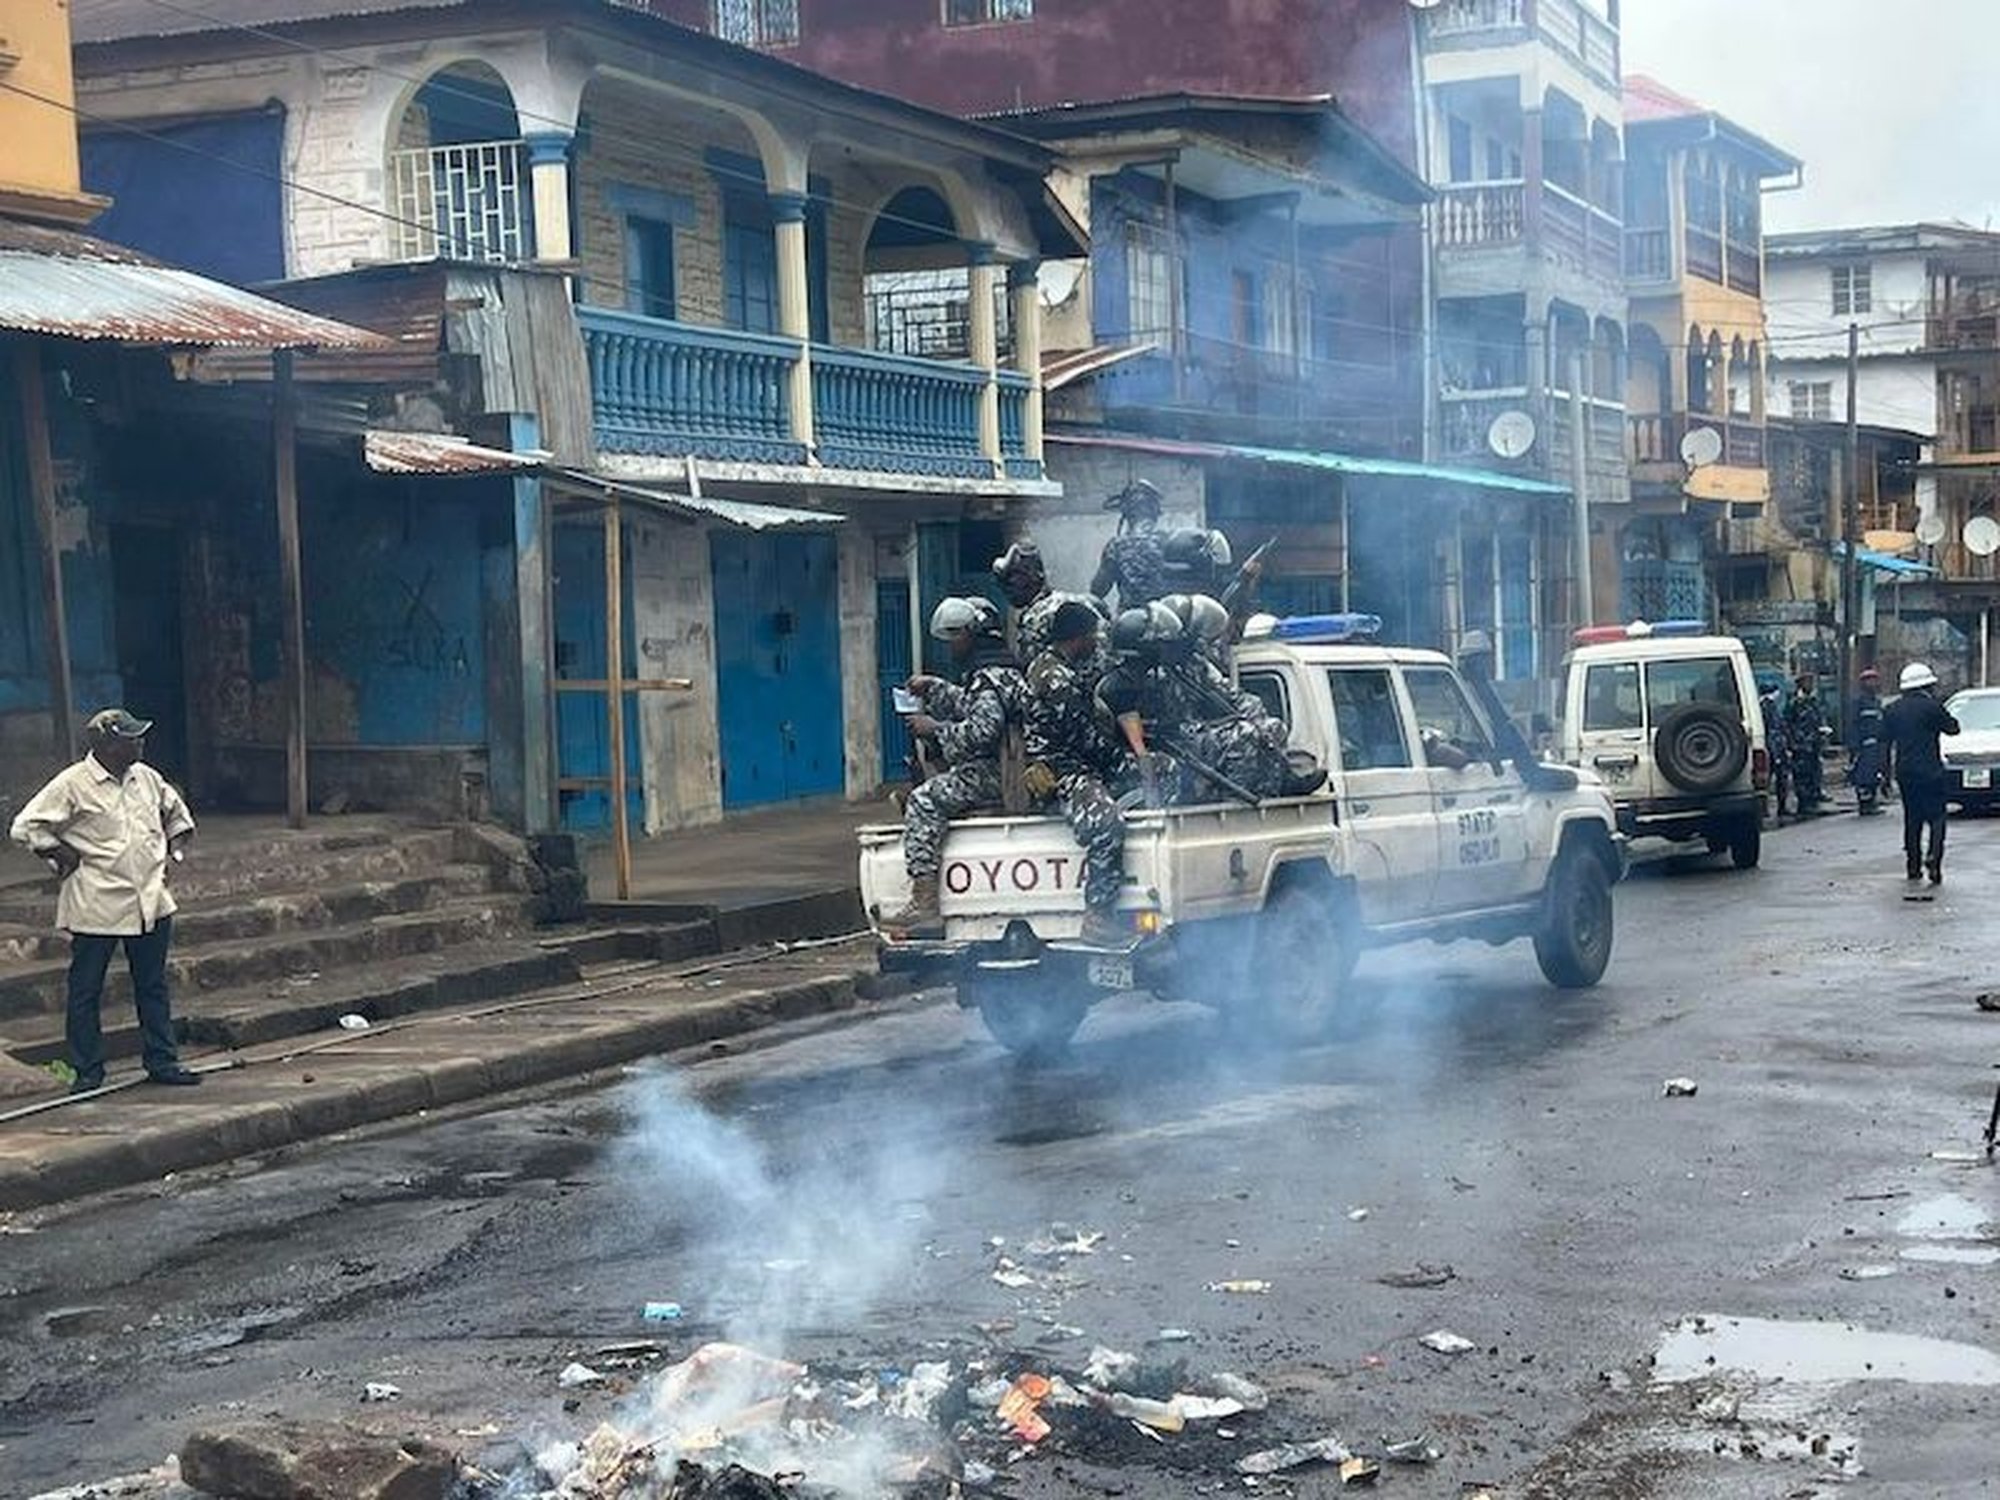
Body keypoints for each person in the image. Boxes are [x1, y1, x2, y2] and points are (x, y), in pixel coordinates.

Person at [9, 708, 201, 1092]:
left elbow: (177, 816)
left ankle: (162, 1061)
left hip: (149, 899)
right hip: (97, 901)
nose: (140, 742)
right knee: (86, 989)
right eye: (132, 738)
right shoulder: (73, 783)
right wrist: (58, 851)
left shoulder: (146, 778)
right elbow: (26, 826)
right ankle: (88, 1071)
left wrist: (172, 854)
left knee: (152, 986)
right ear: (109, 745)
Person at [882, 598, 1023, 938]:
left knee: (923, 800)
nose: (951, 645)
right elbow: (971, 706)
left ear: (973, 635)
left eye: (956, 636)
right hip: (1006, 770)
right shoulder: (1001, 672)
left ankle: (925, 904)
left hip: (997, 774)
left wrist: (935, 730)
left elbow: (981, 733)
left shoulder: (988, 679)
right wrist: (934, 688)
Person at [1022, 600, 1127, 946]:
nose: (1095, 644)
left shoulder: (1057, 668)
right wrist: (1119, 759)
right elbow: (1082, 738)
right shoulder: (1055, 678)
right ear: (1078, 638)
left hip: (1072, 763)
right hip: (1059, 771)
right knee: (1105, 822)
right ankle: (1098, 917)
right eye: (1092, 637)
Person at [1882, 661, 1960, 884]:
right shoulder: (1932, 707)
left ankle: (1913, 866)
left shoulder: (1892, 710)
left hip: (1905, 772)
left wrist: (1885, 777)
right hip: (1931, 770)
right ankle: (1934, 857)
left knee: (1912, 819)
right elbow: (1953, 728)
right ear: (1927, 686)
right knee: (1937, 816)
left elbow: (1883, 745)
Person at [1090, 479, 1168, 611]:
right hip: (1165, 618)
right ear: (1155, 513)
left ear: (1126, 513)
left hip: (1130, 620)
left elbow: (1098, 591)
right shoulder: (1167, 541)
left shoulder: (1116, 546)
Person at [1784, 673, 1828, 811]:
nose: (1810, 685)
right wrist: (1792, 742)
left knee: (1815, 770)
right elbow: (1787, 723)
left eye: (1811, 682)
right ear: (1801, 684)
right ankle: (1804, 802)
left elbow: (1818, 718)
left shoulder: (1813, 699)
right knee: (1802, 773)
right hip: (1801, 744)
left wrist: (1822, 732)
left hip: (1814, 742)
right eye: (1807, 682)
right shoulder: (1794, 701)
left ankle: (1814, 797)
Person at [1849, 667, 1887, 816]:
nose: (1873, 683)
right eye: (1869, 680)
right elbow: (1853, 724)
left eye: (1875, 680)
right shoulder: (1858, 702)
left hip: (1876, 745)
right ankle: (1864, 803)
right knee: (1863, 775)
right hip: (1864, 745)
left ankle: (1872, 801)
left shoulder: (1876, 702)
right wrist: (1854, 746)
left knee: (1874, 774)